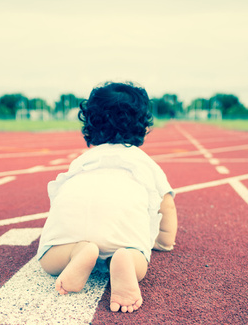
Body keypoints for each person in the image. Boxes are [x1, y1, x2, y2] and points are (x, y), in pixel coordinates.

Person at [36, 81, 177, 313]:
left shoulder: (82, 161)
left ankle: (78, 252)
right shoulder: (143, 162)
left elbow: (61, 196)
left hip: (71, 229)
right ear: (143, 126)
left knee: (49, 259)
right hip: (123, 235)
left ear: (89, 123)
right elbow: (167, 206)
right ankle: (125, 259)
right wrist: (163, 241)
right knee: (136, 258)